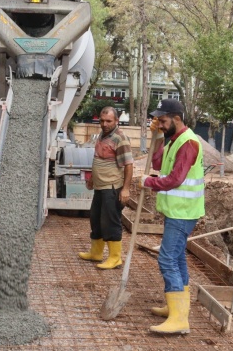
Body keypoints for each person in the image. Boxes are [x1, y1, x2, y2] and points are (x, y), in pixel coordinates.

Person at [139, 99, 204, 335]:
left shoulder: (188, 143)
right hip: (176, 210)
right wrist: (157, 137)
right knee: (177, 259)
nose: (162, 124)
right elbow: (157, 162)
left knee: (167, 259)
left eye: (164, 121)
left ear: (177, 118)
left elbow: (175, 179)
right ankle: (177, 308)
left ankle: (179, 319)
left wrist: (148, 182)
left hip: (183, 212)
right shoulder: (173, 141)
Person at [78, 106, 133, 270]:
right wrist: (92, 179)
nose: (104, 124)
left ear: (116, 121)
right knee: (96, 219)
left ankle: (115, 258)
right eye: (102, 120)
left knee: (110, 222)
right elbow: (98, 159)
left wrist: (125, 189)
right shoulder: (103, 135)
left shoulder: (120, 138)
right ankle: (96, 252)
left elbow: (129, 165)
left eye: (108, 121)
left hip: (112, 187)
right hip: (100, 186)